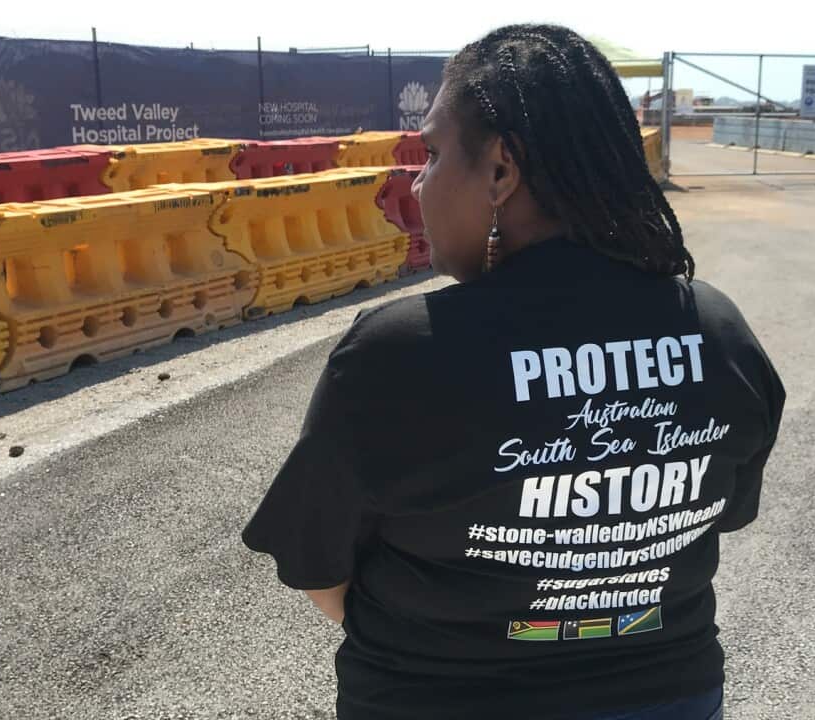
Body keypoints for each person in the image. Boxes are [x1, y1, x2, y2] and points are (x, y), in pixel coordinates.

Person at [242, 24, 785, 720]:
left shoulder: (403, 353)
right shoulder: (719, 332)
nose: (418, 180)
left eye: (433, 153)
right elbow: (717, 519)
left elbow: (320, 573)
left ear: (501, 170)